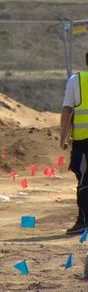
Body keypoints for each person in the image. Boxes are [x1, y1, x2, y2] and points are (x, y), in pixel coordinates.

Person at [60, 51, 88, 235]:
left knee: (85, 182)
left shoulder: (76, 80)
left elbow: (67, 110)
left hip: (84, 141)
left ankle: (84, 220)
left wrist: (63, 137)